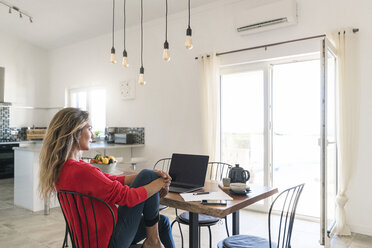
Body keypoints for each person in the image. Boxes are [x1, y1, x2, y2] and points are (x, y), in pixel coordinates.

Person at [38, 107, 175, 248]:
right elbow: (127, 197)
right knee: (148, 175)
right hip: (107, 242)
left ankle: (153, 240)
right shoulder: (82, 170)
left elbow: (111, 180)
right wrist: (159, 182)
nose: (92, 135)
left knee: (162, 221)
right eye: (89, 128)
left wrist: (146, 179)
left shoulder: (63, 169)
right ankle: (152, 242)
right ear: (75, 132)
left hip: (89, 241)